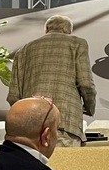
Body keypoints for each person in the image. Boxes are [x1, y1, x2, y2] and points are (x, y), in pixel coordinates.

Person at [7, 15, 97, 147]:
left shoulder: (23, 51)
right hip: (64, 123)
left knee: (33, 161)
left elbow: (13, 96)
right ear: (68, 31)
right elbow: (86, 84)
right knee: (66, 160)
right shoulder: (77, 43)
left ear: (46, 29)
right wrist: (89, 108)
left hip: (30, 128)